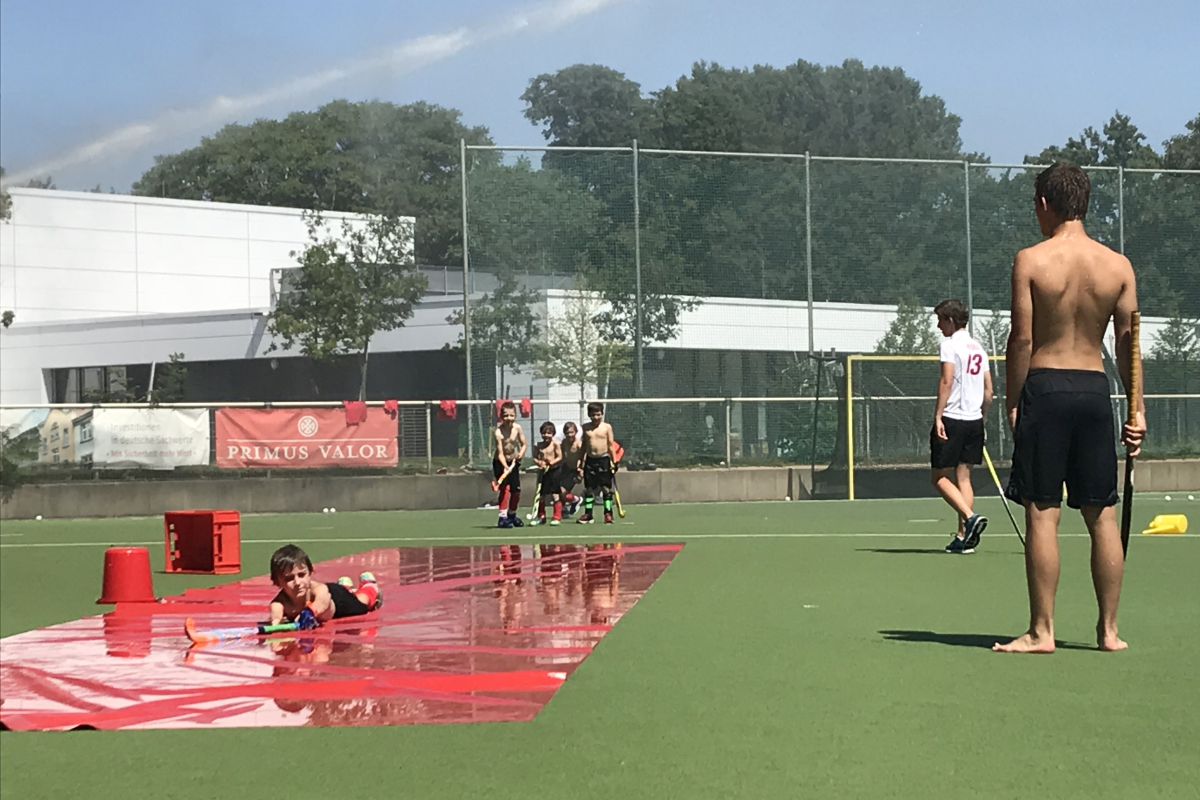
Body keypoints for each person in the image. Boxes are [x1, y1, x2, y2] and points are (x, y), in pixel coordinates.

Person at [995, 162, 1145, 654]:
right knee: (1101, 514)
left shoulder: (1031, 260)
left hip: (1047, 385)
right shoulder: (1118, 266)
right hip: (1094, 391)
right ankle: (1109, 631)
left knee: (1042, 512)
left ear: (1045, 203)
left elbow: (1022, 338)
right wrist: (1135, 409)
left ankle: (1042, 631)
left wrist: (1014, 400)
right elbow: (1128, 345)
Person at [930, 298, 991, 554]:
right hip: (974, 420)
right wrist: (983, 420)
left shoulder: (950, 345)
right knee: (963, 477)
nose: (937, 325)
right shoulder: (979, 348)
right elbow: (989, 391)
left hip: (953, 418)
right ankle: (963, 537)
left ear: (951, 320)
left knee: (939, 477)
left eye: (940, 320)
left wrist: (938, 416)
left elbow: (946, 381)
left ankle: (969, 517)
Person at [268, 544, 381, 627]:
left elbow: (323, 600)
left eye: (301, 575)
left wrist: (309, 613)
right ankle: (346, 587)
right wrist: (276, 622)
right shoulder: (280, 602)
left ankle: (369, 587)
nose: (297, 583)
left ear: (310, 573)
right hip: (330, 600)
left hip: (337, 598)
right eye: (289, 578)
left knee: (362, 604)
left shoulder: (318, 590)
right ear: (277, 582)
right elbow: (276, 616)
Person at [577, 402, 617, 524]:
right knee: (589, 489)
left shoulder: (607, 427)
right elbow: (583, 447)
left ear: (602, 414)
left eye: (598, 414)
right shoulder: (585, 427)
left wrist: (614, 462)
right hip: (590, 460)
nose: (596, 417)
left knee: (606, 489)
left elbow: (611, 445)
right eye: (593, 415)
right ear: (589, 415)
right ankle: (588, 514)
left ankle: (608, 514)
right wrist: (580, 463)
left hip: (604, 460)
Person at [493, 400, 527, 529]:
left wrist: (521, 453)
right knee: (505, 489)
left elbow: (524, 444)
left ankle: (512, 515)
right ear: (501, 417)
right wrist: (505, 466)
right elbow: (500, 453)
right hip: (500, 463)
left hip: (513, 462)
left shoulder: (517, 428)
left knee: (516, 491)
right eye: (506, 415)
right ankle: (502, 517)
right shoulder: (498, 432)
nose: (509, 418)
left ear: (515, 415)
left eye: (511, 415)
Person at [531, 421, 564, 525]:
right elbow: (535, 458)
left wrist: (552, 462)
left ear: (553, 434)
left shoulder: (556, 444)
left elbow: (559, 457)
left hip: (554, 471)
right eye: (544, 433)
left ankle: (557, 516)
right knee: (541, 494)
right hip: (543, 471)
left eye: (549, 433)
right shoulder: (538, 445)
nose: (546, 435)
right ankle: (541, 516)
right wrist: (539, 462)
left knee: (555, 494)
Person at [559, 421, 582, 516]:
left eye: (571, 432)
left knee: (562, 490)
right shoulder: (564, 442)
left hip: (575, 470)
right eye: (567, 433)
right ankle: (563, 510)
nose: (569, 435)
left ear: (576, 432)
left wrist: (581, 470)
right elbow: (562, 455)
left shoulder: (579, 444)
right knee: (557, 489)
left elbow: (583, 457)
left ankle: (576, 499)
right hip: (565, 468)